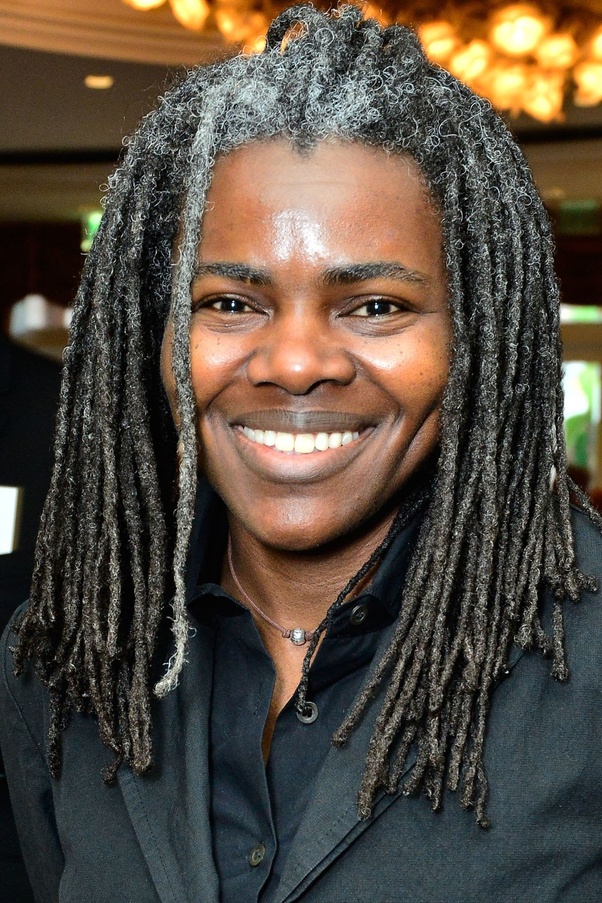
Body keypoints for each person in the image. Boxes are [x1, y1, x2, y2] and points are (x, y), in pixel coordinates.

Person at [1, 4, 602, 901]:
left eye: (376, 306)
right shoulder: (64, 653)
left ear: (477, 337)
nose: (293, 363)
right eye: (229, 303)